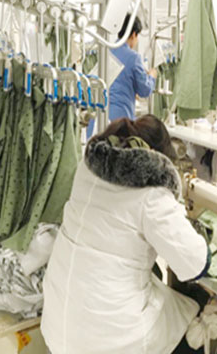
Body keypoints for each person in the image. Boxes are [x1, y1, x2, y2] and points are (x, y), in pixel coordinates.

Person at [41, 115, 209, 354]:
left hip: (58, 321)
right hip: (107, 339)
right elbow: (195, 264)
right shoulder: (151, 194)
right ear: (159, 157)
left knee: (152, 276)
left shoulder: (87, 171)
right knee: (195, 310)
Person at [109, 13, 156, 123]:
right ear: (134, 34)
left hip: (101, 116)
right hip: (120, 119)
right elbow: (145, 90)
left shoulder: (107, 51)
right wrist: (151, 76)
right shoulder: (133, 57)